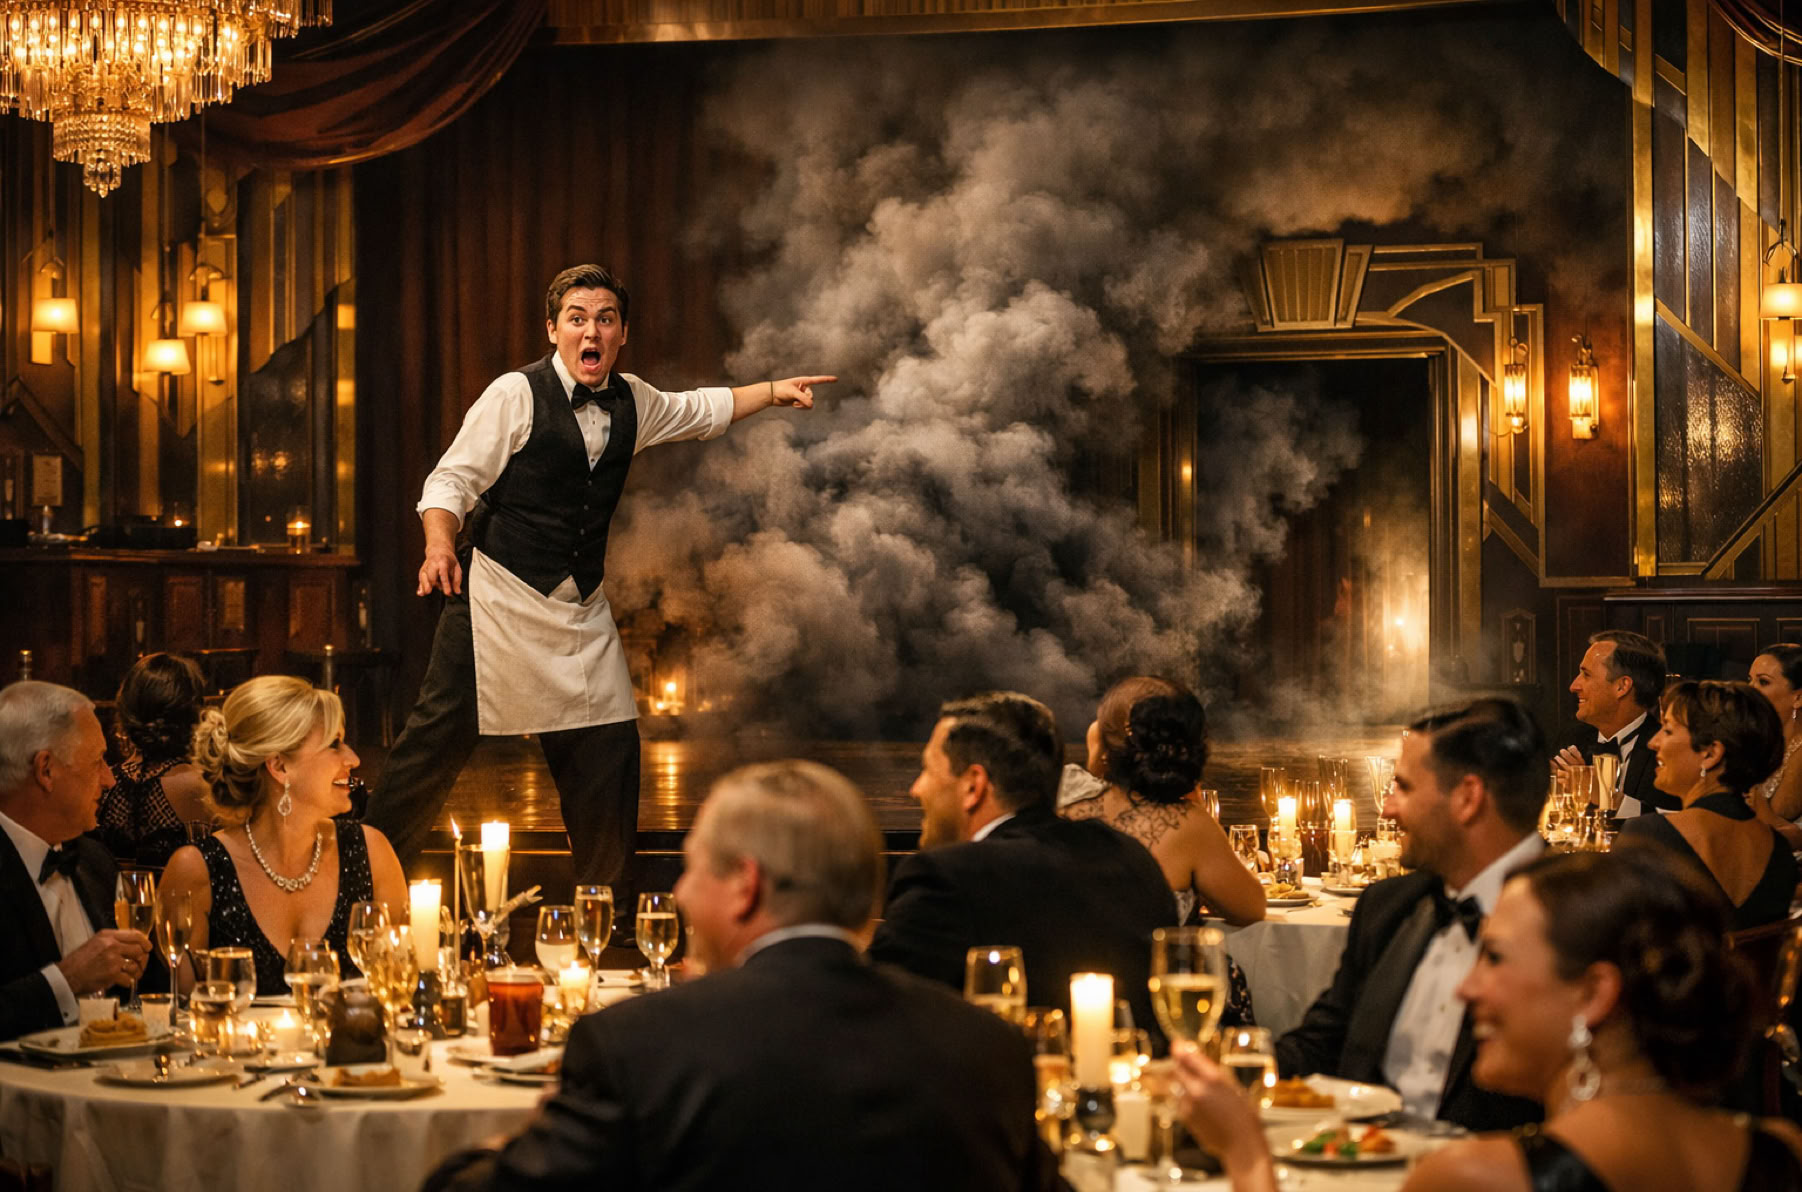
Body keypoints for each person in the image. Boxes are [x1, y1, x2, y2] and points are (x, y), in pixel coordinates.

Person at [367, 264, 834, 922]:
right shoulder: (515, 395)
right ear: (553, 330)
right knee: (428, 755)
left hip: (578, 609)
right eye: (578, 318)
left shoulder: (633, 400)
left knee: (608, 756)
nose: (592, 330)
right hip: (496, 598)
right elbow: (451, 481)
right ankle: (358, 896)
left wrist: (774, 391)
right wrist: (439, 545)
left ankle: (600, 922)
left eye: (605, 319)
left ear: (621, 336)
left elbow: (702, 409)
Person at [422, 760, 1061, 1192]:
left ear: (744, 886)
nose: (679, 892)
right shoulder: (988, 1050)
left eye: (692, 868)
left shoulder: (639, 1047)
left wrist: (519, 1133)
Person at [1173, 848, 1802, 1192]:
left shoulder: (1476, 1178)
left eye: (1494, 958)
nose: (1468, 986)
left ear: (1594, 994)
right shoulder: (1780, 1152)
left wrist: (1249, 1159)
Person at [1275, 697, 1547, 1131]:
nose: (1387, 809)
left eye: (1403, 787)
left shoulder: (1578, 917)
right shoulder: (1387, 907)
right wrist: (1235, 1068)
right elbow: (1323, 1043)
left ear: (1467, 798)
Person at [867, 691, 1176, 1048]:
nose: (915, 789)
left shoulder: (946, 879)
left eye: (926, 770)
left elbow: (874, 1024)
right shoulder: (1129, 856)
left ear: (973, 786)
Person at [159, 676, 407, 995]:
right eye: (334, 744)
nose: (353, 759)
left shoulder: (372, 853)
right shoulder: (196, 871)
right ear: (279, 766)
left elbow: (399, 992)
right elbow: (185, 1020)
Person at [0, 681, 151, 1041]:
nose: (110, 779)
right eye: (97, 761)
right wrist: (66, 981)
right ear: (46, 770)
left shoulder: (94, 861)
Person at [1061, 676, 1264, 926]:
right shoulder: (1190, 825)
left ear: (1105, 745)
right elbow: (1251, 909)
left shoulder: (1062, 803)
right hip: (1148, 965)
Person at [1615, 679, 1798, 929]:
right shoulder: (1779, 851)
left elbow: (1617, 935)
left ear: (1711, 754)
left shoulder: (1651, 835)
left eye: (1667, 730)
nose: (1653, 742)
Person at [94, 652, 213, 870]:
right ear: (194, 713)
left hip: (111, 904)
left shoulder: (102, 785)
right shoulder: (200, 787)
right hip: (183, 903)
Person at [1555, 629, 1674, 816]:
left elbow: (1676, 824)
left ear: (1621, 686)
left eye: (1586, 675)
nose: (1574, 686)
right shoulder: (1572, 739)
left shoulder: (1666, 749)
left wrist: (1606, 797)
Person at [1747, 643, 1802, 849]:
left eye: (1763, 682)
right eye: (1749, 680)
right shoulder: (1757, 742)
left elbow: (1775, 818)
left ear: (1798, 697)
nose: (1751, 690)